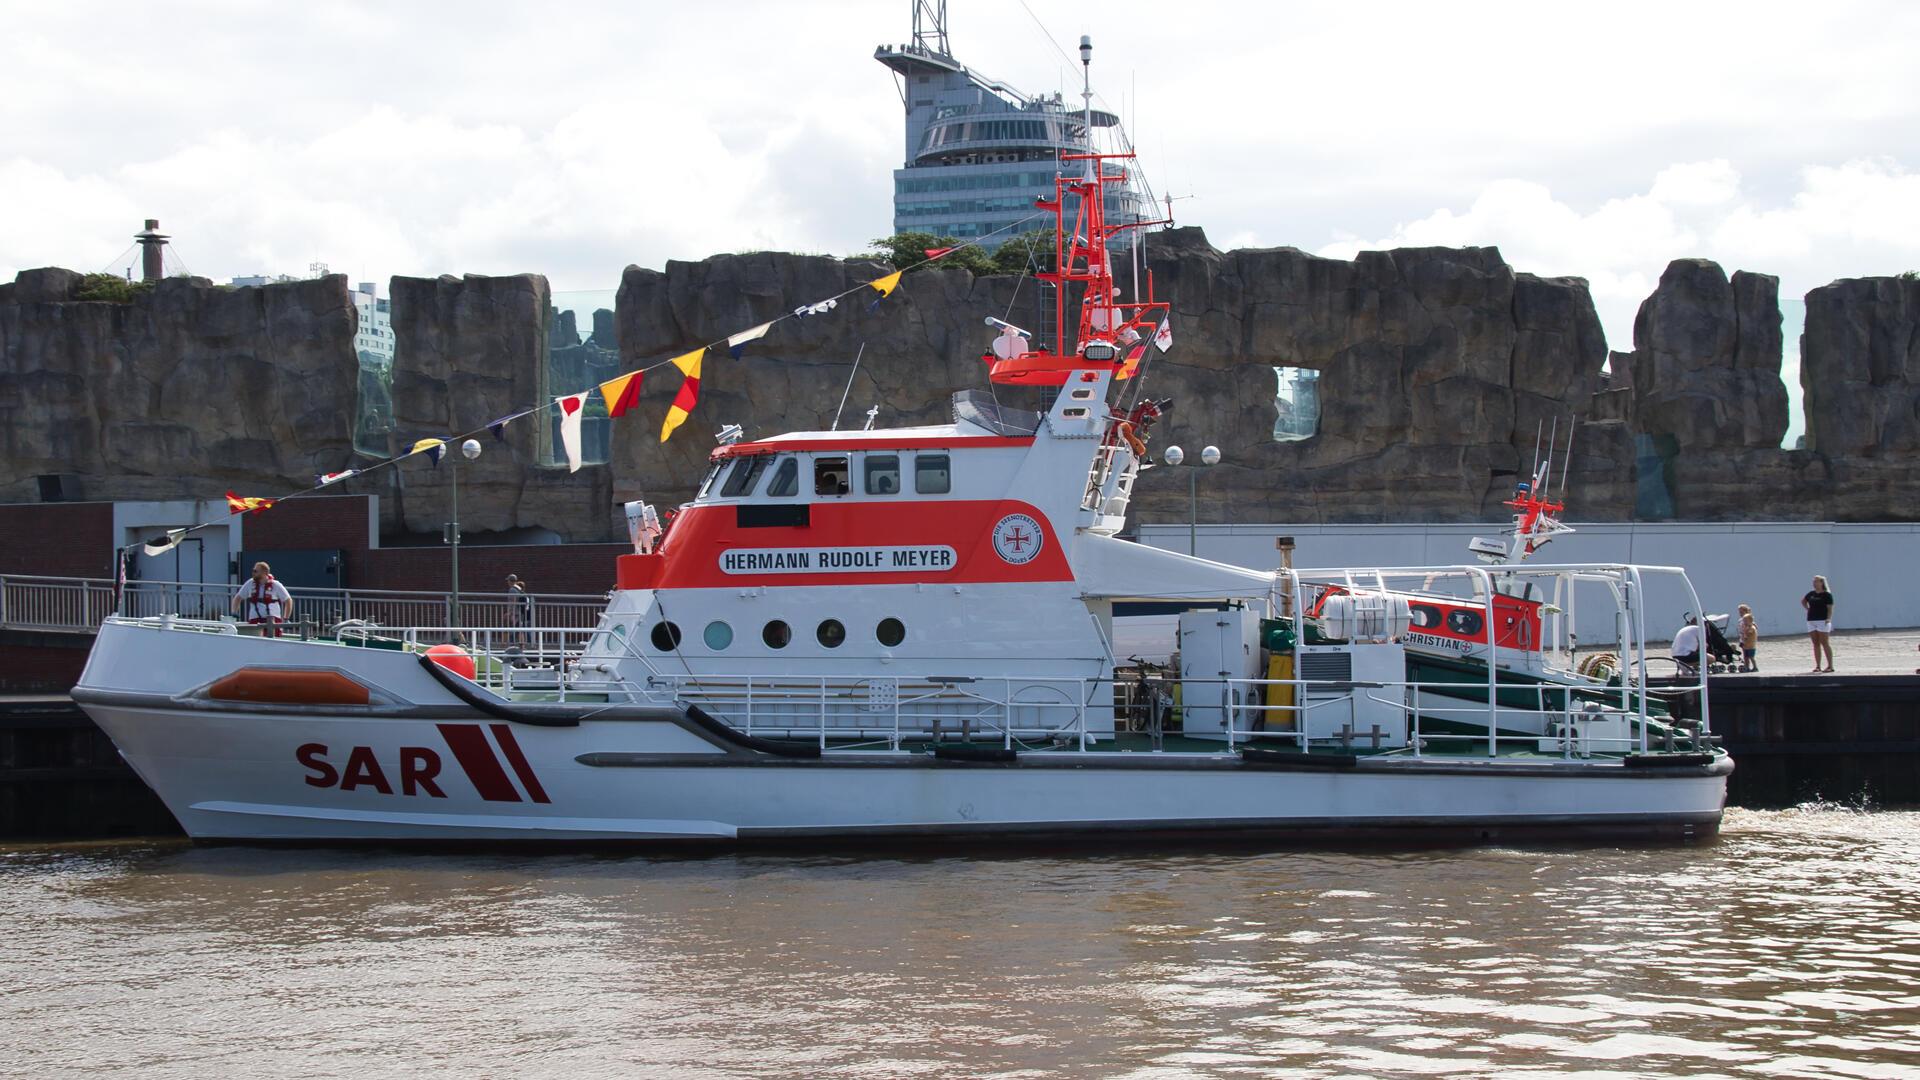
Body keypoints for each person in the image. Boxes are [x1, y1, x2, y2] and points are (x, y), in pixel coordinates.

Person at [231, 561, 293, 637]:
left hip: (272, 620)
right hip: (255, 619)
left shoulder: (275, 584)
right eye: (253, 570)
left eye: (256, 571)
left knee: (273, 642)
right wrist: (234, 612)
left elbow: (288, 600)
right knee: (254, 642)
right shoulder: (250, 583)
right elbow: (238, 598)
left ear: (264, 572)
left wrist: (286, 618)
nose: (253, 573)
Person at [1802, 575, 1835, 673]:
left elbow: (1830, 608)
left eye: (1816, 581)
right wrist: (1807, 609)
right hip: (1811, 620)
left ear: (1822, 583)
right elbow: (1803, 601)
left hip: (1822, 620)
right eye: (1814, 581)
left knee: (1824, 643)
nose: (1814, 583)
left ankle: (1830, 666)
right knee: (1815, 643)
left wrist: (1828, 618)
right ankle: (1818, 666)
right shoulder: (1811, 594)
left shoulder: (1827, 595)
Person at [506, 574, 533, 645]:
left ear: (510, 581)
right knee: (522, 628)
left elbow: (512, 602)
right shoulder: (518, 588)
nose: (507, 582)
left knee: (514, 628)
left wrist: (509, 612)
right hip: (521, 611)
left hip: (516, 612)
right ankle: (530, 642)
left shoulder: (512, 590)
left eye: (508, 580)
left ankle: (512, 643)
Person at [1737, 604, 1759, 673]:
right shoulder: (1741, 620)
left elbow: (1753, 627)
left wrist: (1749, 628)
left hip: (1748, 641)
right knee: (1745, 655)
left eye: (1741, 612)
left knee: (1750, 655)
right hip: (1743, 639)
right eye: (1739, 612)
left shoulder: (1749, 619)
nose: (1740, 613)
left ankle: (1754, 667)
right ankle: (1747, 666)